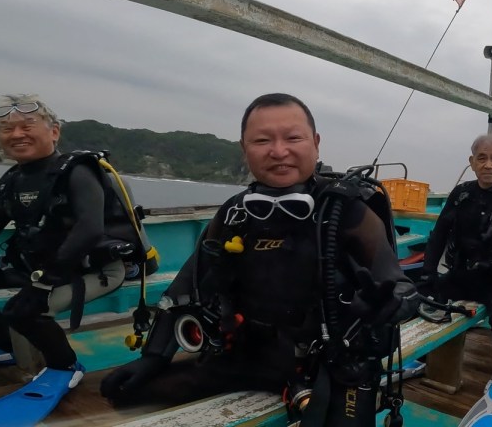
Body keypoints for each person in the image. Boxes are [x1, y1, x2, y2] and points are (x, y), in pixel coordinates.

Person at [100, 93, 419, 427]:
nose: (278, 151)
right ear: (244, 149)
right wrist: (154, 356)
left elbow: (399, 285)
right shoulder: (234, 213)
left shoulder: (347, 211)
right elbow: (186, 285)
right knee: (124, 391)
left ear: (315, 143)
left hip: (329, 364)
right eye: (262, 140)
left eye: (293, 138)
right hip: (245, 356)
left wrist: (395, 300)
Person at [0, 94, 127, 382]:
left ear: (54, 132)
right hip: (38, 270)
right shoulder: (13, 180)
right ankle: (5, 348)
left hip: (95, 269)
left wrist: (42, 285)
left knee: (25, 312)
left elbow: (90, 229)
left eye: (27, 126)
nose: (17, 134)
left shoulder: (78, 172)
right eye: (7, 129)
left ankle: (66, 367)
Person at [419, 133, 492, 390]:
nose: (488, 165)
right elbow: (439, 234)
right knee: (419, 300)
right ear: (472, 162)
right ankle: (421, 359)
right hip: (463, 275)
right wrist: (428, 273)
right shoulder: (461, 193)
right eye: (481, 158)